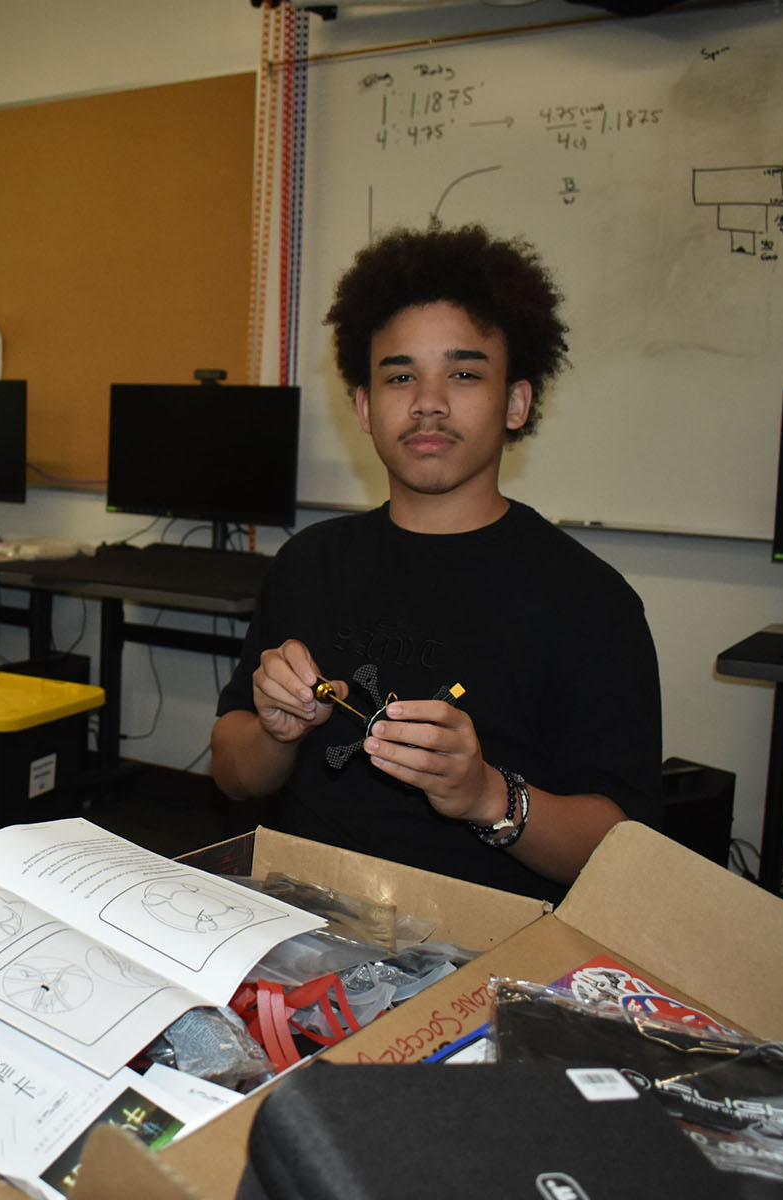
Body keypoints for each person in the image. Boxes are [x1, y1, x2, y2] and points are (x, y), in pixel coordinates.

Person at [210, 224, 661, 902]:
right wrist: (275, 734)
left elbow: (620, 853)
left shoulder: (590, 601)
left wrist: (486, 795)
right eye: (400, 376)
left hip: (483, 951)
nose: (428, 402)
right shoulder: (309, 563)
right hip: (297, 923)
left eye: (464, 372)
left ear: (516, 401)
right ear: (365, 406)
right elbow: (232, 773)